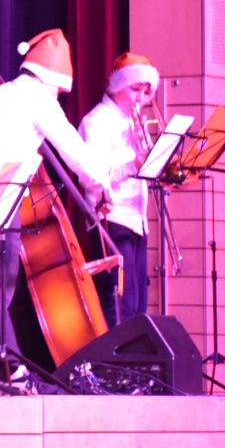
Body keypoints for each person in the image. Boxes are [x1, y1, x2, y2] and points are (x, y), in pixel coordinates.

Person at [0, 29, 117, 362]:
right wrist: (102, 187)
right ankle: (6, 364)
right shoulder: (39, 100)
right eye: (59, 90)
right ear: (50, 80)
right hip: (0, 194)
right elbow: (75, 151)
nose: (58, 96)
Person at [78, 51, 161, 325]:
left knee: (138, 306)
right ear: (118, 86)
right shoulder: (96, 121)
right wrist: (133, 163)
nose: (141, 98)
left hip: (137, 219)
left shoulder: (133, 122)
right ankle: (115, 354)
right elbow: (92, 176)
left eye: (146, 92)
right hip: (110, 218)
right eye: (135, 89)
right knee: (119, 303)